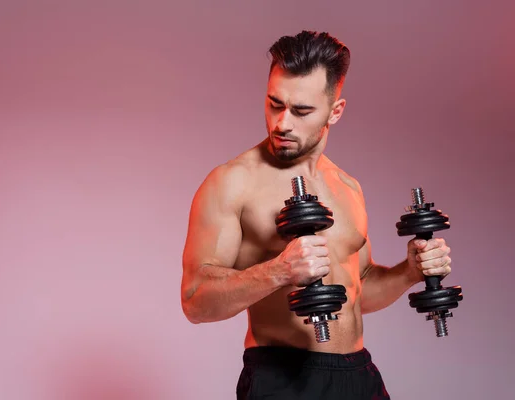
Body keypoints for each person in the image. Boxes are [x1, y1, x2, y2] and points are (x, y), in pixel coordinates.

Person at [180, 30, 452, 400]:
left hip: (359, 375)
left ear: (334, 111)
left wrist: (410, 272)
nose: (282, 123)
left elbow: (359, 292)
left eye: (302, 110)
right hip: (283, 379)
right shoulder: (232, 183)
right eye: (275, 104)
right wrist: (279, 270)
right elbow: (196, 301)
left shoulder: (347, 187)